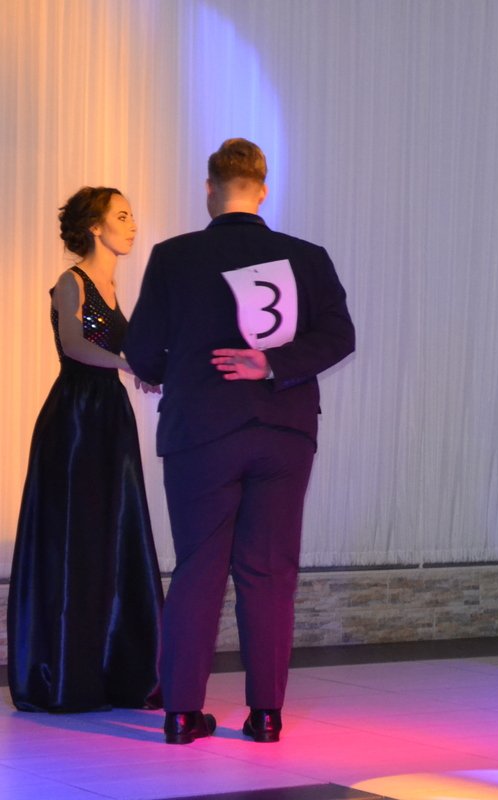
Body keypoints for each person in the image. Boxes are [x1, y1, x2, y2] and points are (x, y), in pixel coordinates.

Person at [124, 138, 355, 743]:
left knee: (199, 569)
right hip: (283, 433)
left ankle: (181, 713)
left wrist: (169, 372)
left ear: (210, 188)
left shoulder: (173, 257)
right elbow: (340, 337)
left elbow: (142, 351)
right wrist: (272, 363)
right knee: (270, 573)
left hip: (201, 432)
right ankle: (266, 715)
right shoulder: (306, 257)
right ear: (263, 189)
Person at [7, 187, 163, 712]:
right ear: (95, 227)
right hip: (74, 420)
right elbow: (75, 345)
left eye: (132, 215)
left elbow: (128, 350)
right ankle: (65, 674)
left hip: (109, 415)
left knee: (113, 532)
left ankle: (113, 670)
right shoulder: (70, 281)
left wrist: (149, 368)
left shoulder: (114, 285)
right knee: (76, 535)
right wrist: (127, 365)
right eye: (122, 215)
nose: (133, 224)